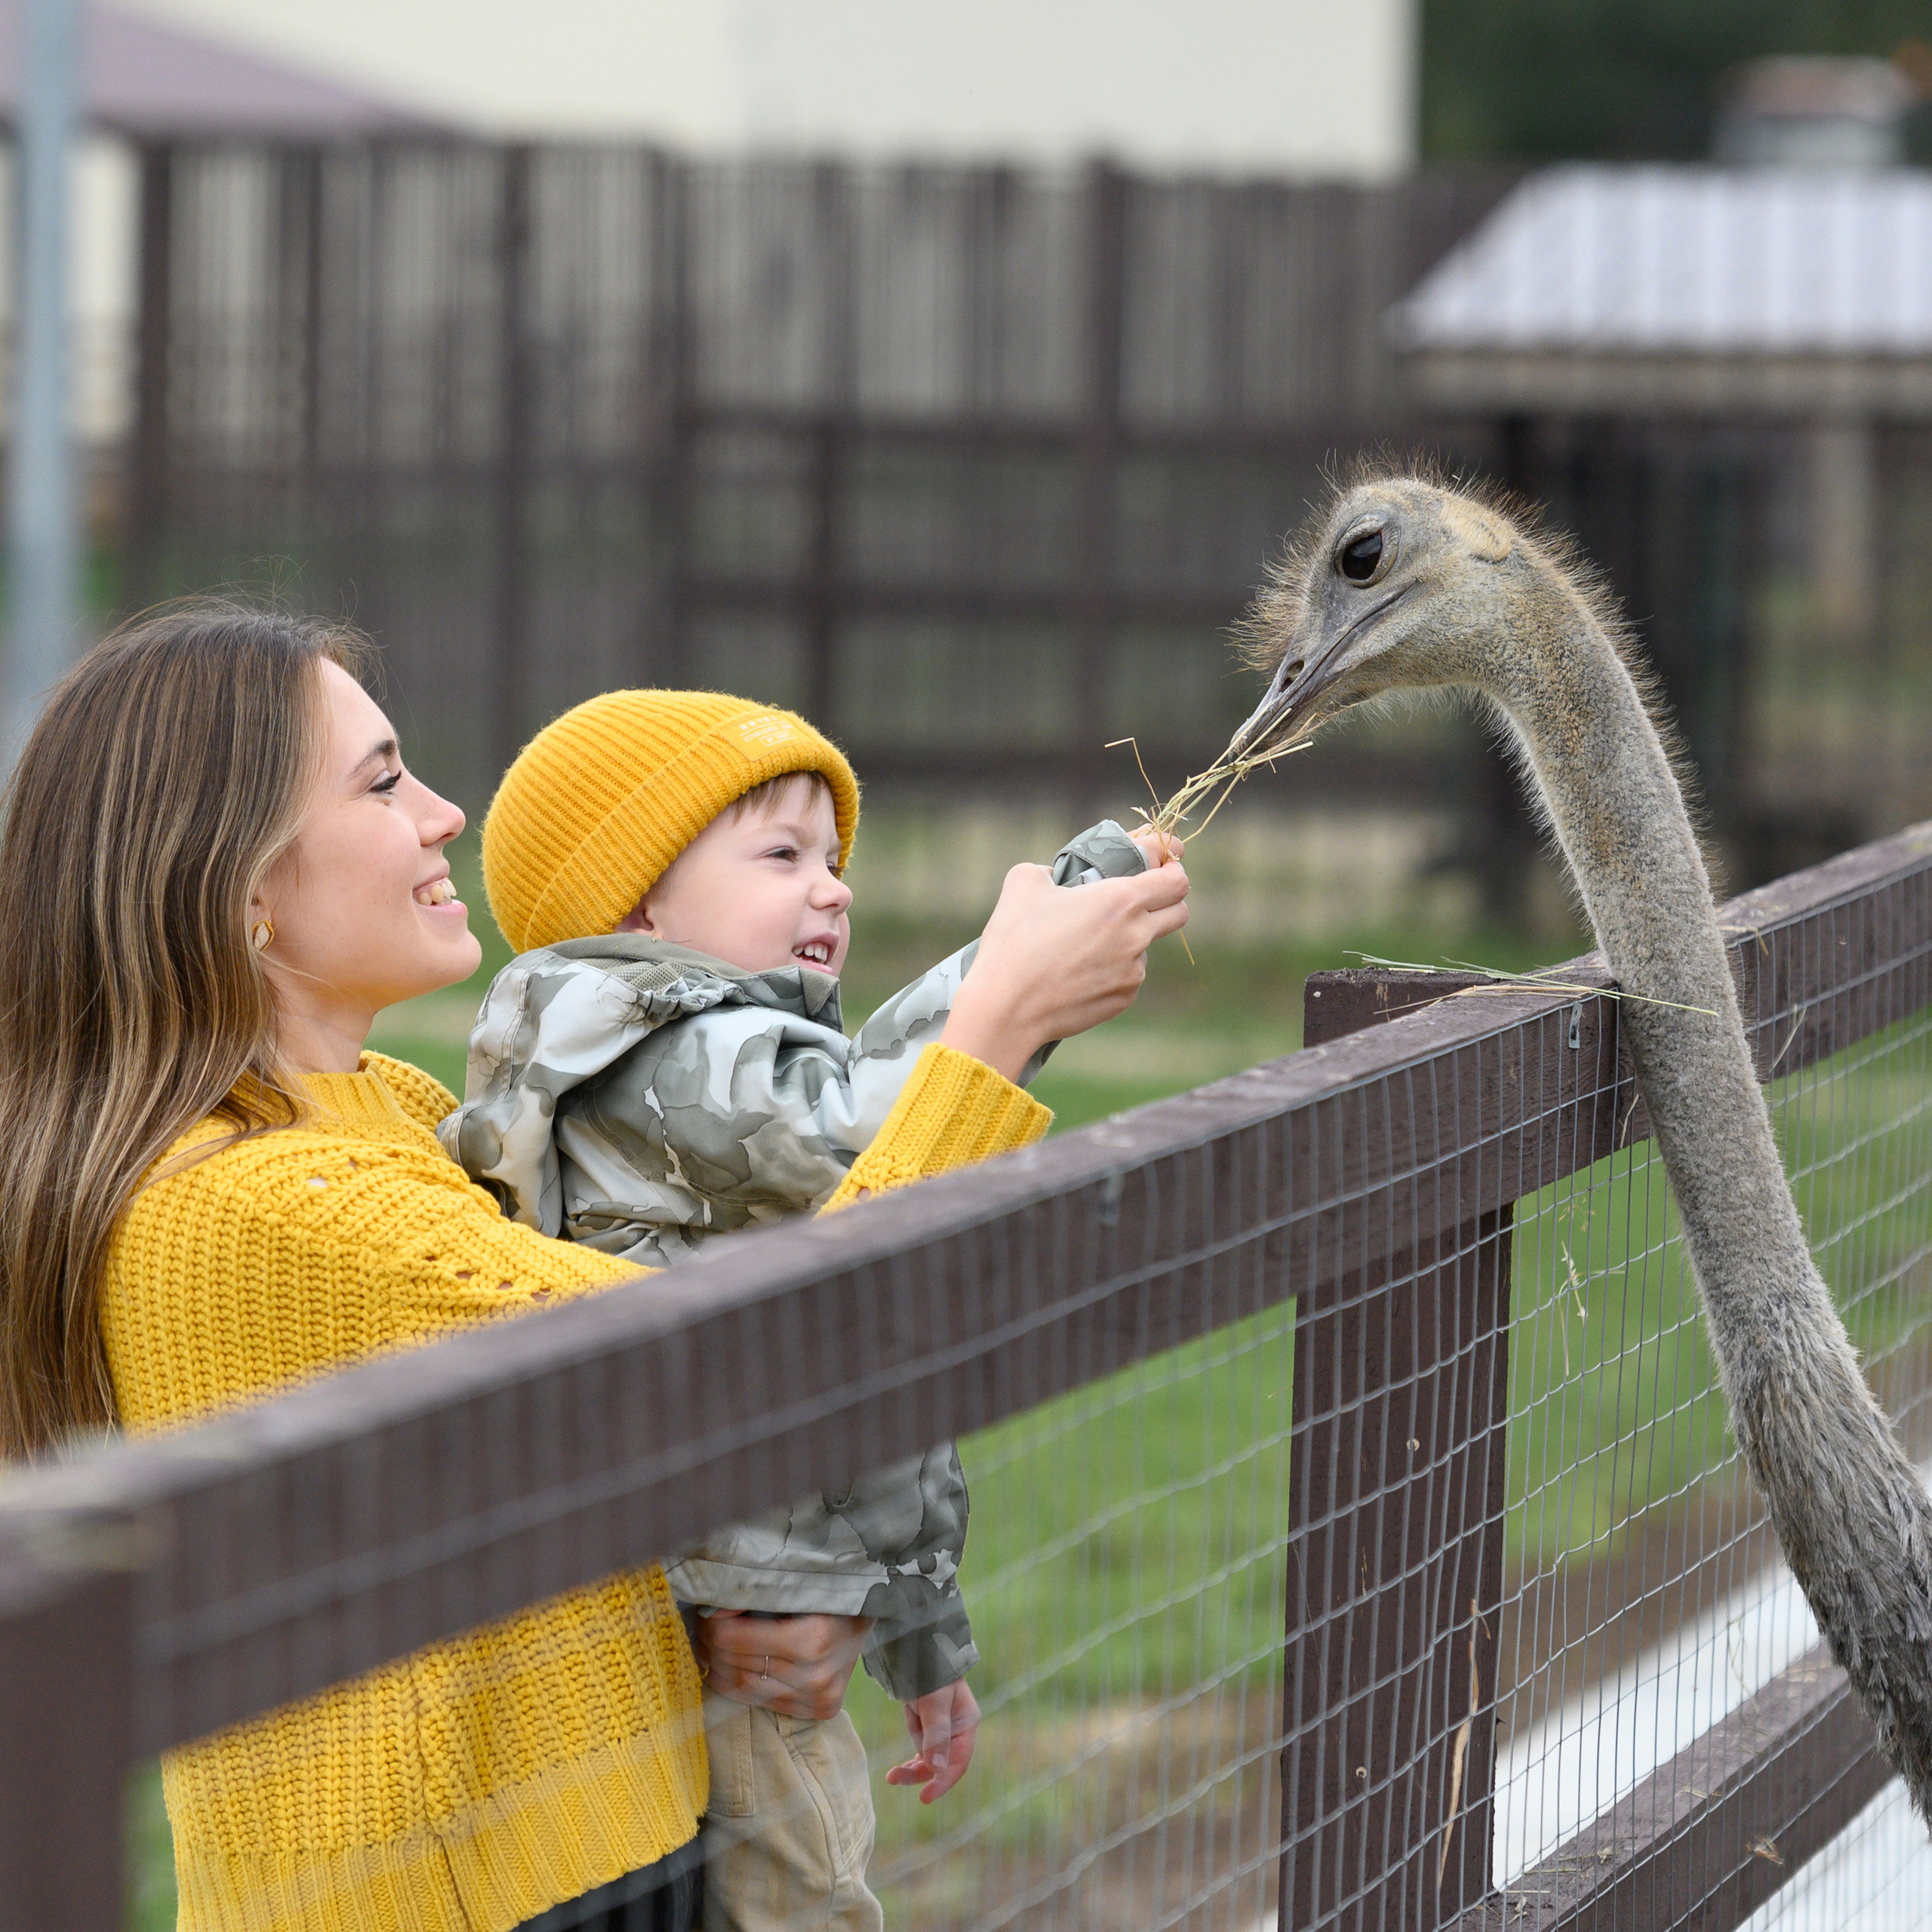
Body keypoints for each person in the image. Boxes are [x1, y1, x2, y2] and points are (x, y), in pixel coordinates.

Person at [0, 607, 1190, 1932]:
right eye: (384, 781)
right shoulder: (275, 1204)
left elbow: (550, 1454)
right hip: (485, 1896)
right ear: (245, 887)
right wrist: (1000, 1029)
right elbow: (752, 1362)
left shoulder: (375, 1112)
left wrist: (730, 1611)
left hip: (573, 1846)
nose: (447, 814)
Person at [441, 691, 1180, 1932]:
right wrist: (1022, 975)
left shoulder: (730, 1064)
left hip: (778, 1585)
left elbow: (883, 1143)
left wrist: (924, 1644)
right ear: (637, 906)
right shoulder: (667, 1062)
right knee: (806, 1903)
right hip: (744, 1609)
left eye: (835, 861)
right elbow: (881, 1123)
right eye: (782, 856)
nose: (833, 888)